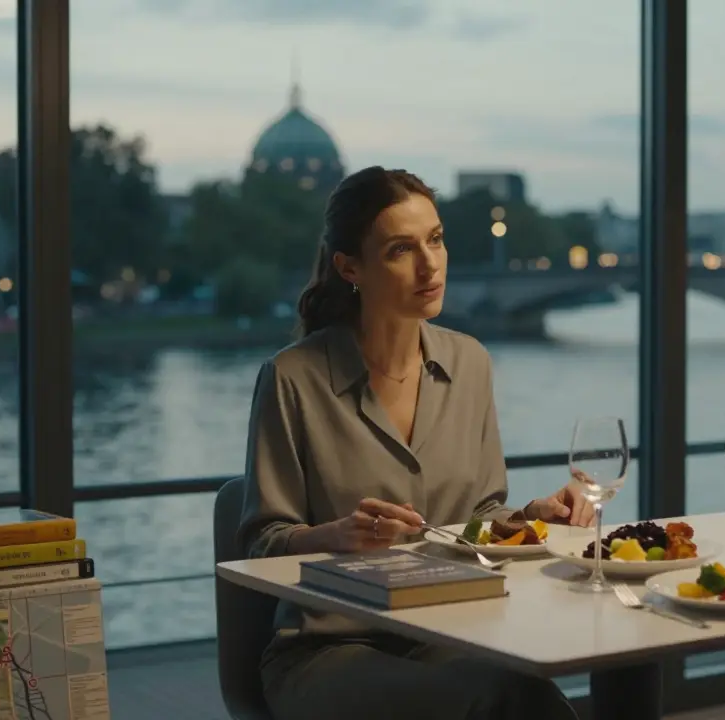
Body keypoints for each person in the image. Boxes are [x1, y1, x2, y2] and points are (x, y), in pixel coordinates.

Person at [237, 166, 591, 720]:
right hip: (329, 651)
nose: (430, 264)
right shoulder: (291, 378)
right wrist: (337, 535)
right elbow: (260, 546)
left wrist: (530, 519)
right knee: (499, 701)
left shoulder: (470, 362)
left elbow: (477, 518)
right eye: (402, 249)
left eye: (436, 239)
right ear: (350, 267)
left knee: (537, 699)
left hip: (453, 631)